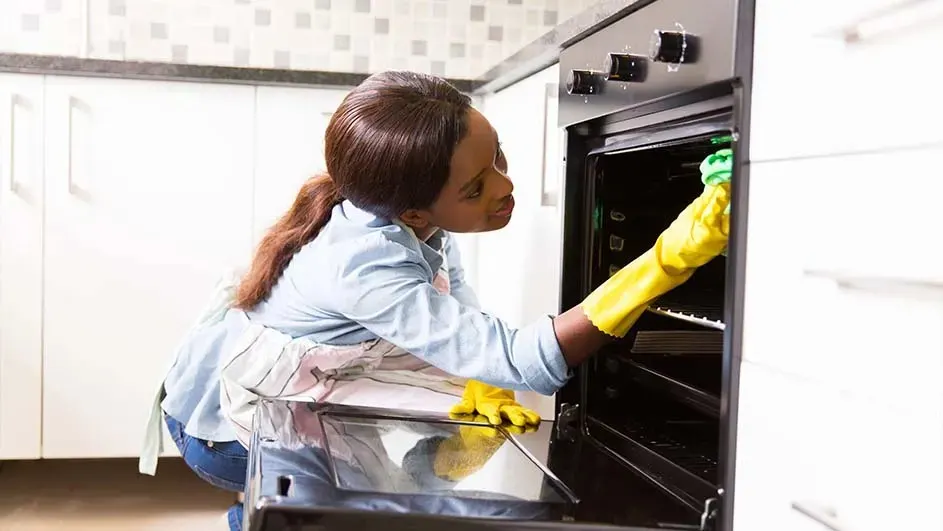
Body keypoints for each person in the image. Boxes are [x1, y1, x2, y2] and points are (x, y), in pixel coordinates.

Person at [138, 71, 731, 531]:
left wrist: (481, 373)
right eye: (476, 188)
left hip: (294, 393)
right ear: (415, 210)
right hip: (224, 431)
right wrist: (667, 260)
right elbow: (526, 359)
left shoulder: (410, 216)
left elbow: (458, 300)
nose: (505, 188)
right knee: (319, 514)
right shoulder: (362, 263)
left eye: (498, 156)